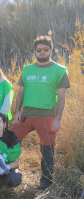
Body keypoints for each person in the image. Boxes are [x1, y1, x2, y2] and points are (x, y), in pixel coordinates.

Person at [11, 34, 70, 189]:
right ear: (35, 52)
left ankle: (46, 183)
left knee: (47, 149)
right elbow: (21, 93)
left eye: (45, 49)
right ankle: (8, 172)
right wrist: (17, 111)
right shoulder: (26, 69)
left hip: (47, 115)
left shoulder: (60, 70)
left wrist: (58, 118)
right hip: (26, 114)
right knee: (8, 141)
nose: (42, 52)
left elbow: (62, 98)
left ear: (51, 50)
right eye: (39, 50)